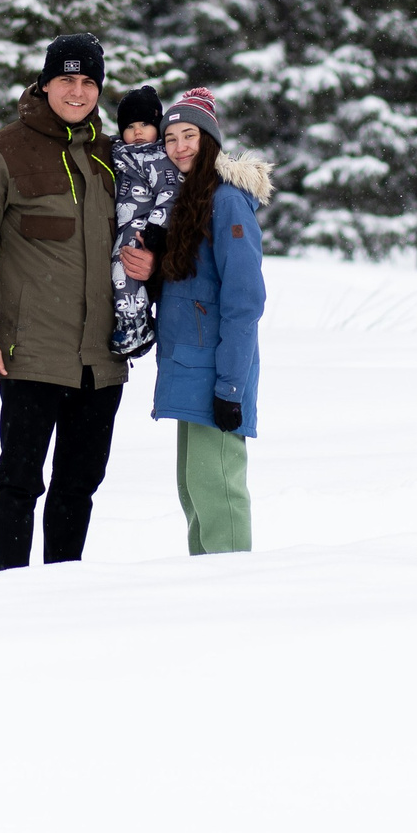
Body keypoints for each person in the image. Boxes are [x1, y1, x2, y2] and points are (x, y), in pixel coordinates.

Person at [0, 33, 159, 571]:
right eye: (66, 79)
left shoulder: (113, 156)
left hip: (102, 361)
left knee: (78, 487)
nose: (77, 91)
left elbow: (156, 216)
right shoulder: (3, 152)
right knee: (19, 482)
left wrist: (153, 265)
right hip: (31, 357)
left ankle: (62, 597)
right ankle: (9, 593)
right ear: (45, 84)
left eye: (88, 82)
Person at [148, 87, 269, 556]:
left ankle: (232, 588)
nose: (179, 146)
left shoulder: (227, 202)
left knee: (218, 492)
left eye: (189, 135)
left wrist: (230, 388)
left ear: (210, 140)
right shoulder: (189, 200)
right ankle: (203, 587)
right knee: (195, 492)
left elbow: (244, 301)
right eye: (171, 138)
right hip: (189, 368)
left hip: (216, 374)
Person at [108, 86, 179, 360]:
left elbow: (170, 193)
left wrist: (157, 228)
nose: (137, 132)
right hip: (121, 225)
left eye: (145, 124)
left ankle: (135, 324)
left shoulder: (159, 158)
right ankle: (129, 321)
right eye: (130, 126)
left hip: (141, 229)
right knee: (118, 274)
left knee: (126, 271)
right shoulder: (119, 153)